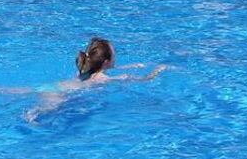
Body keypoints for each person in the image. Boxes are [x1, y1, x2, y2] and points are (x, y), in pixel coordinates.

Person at [23, 38, 167, 123]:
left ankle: (31, 112)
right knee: (45, 109)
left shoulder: (83, 70)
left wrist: (133, 66)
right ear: (106, 62)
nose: (115, 57)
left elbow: (106, 69)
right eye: (114, 55)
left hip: (53, 87)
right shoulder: (105, 79)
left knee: (24, 92)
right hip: (61, 94)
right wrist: (158, 70)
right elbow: (146, 79)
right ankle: (30, 114)